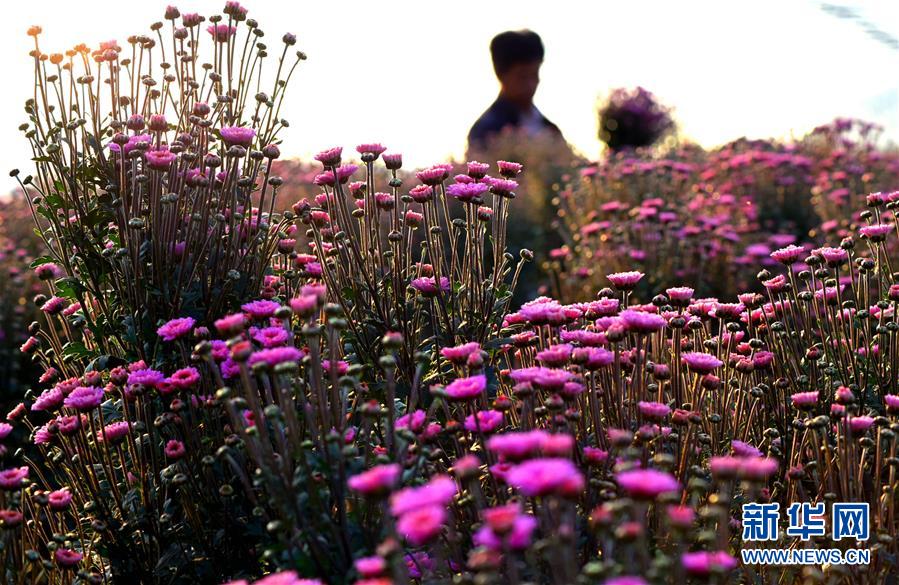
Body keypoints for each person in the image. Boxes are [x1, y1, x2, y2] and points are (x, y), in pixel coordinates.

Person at [467, 30, 563, 150]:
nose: (531, 83)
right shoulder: (488, 131)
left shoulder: (549, 129)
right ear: (501, 76)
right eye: (522, 77)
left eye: (534, 74)